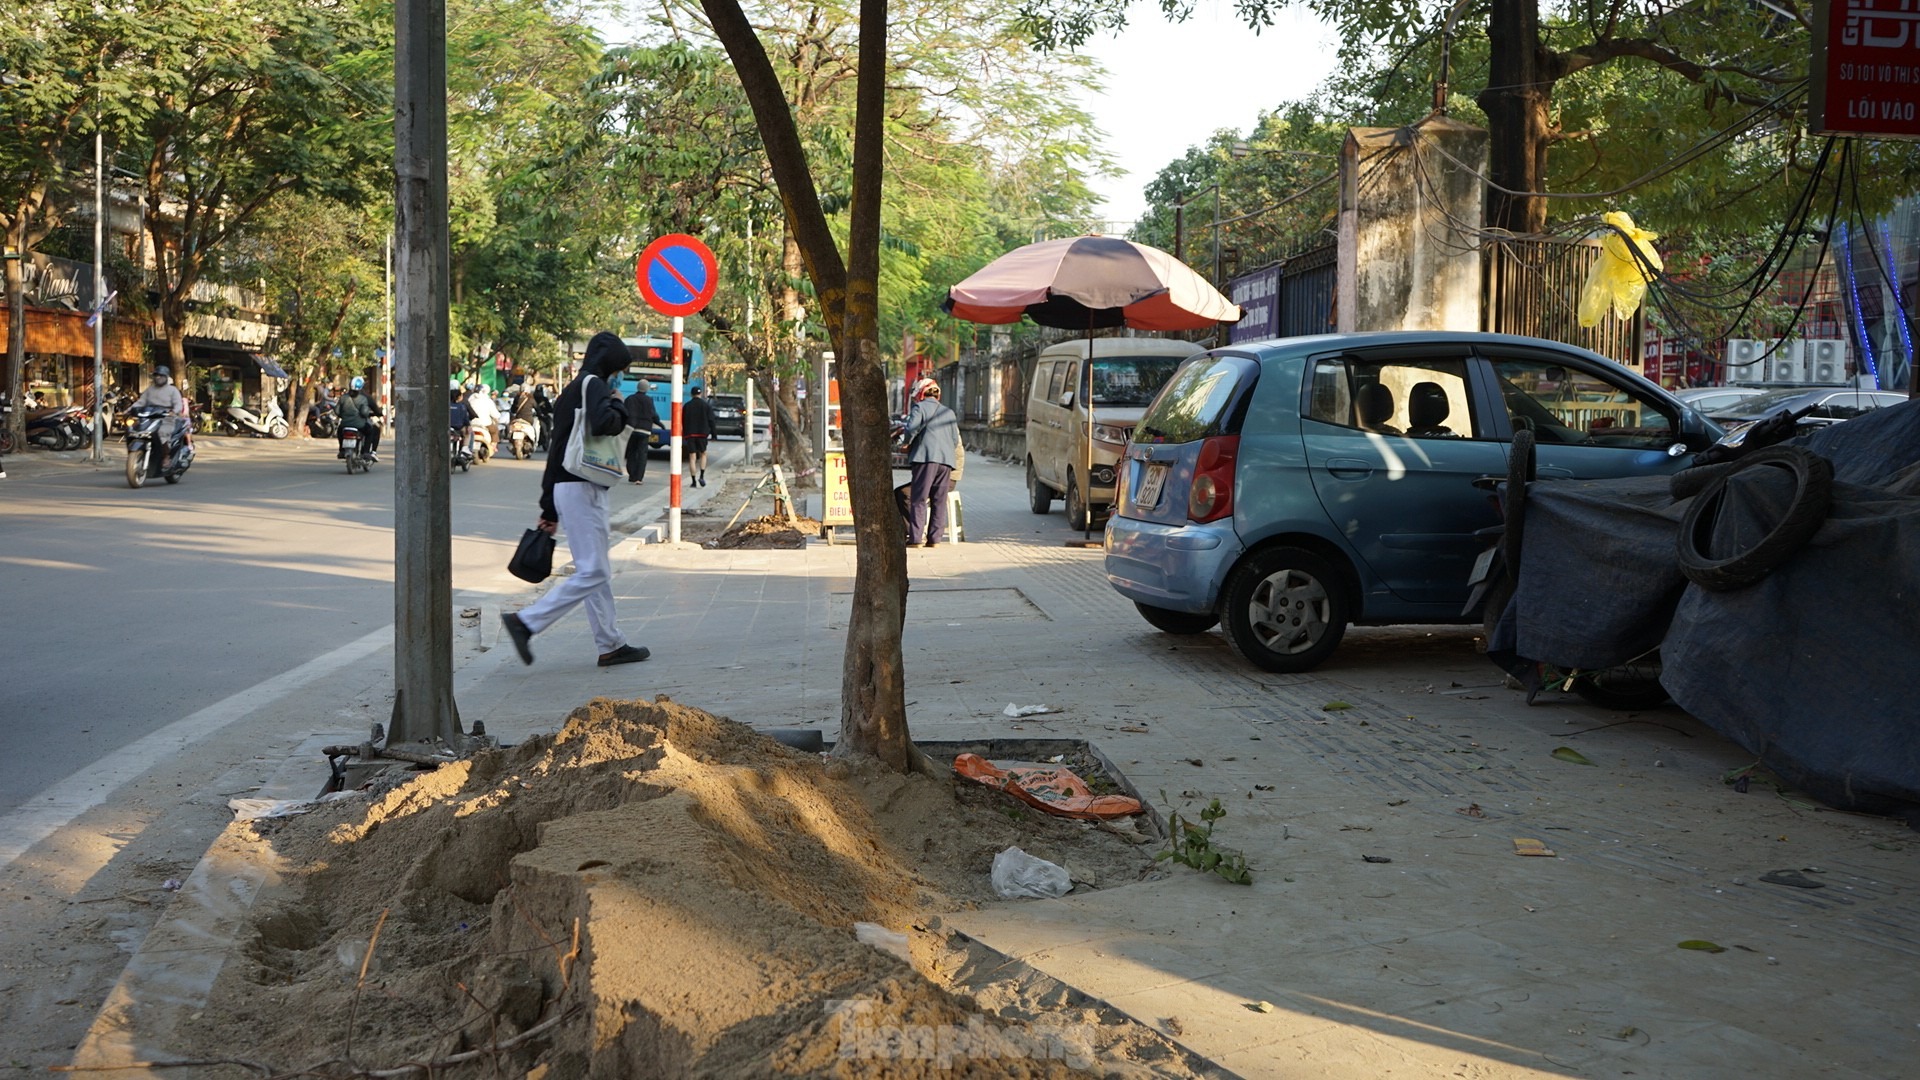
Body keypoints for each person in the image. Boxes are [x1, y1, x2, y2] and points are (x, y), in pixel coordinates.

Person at [500, 331, 648, 668]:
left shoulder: (574, 388)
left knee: (594, 570)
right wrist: (619, 404)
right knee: (594, 571)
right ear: (610, 364)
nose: (619, 376)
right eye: (619, 369)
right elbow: (605, 423)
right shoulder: (595, 385)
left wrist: (549, 506)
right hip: (583, 487)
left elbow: (557, 450)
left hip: (568, 487)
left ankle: (611, 644)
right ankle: (526, 622)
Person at [900, 378, 960, 547]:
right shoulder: (949, 412)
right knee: (938, 500)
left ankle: (916, 539)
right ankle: (935, 539)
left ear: (921, 393)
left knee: (919, 498)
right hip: (946, 461)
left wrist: (906, 443)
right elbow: (955, 440)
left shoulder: (920, 408)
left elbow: (911, 429)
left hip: (926, 459)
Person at [133, 366, 191, 469]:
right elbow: (140, 402)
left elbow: (178, 404)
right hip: (150, 417)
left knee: (162, 433)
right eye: (156, 375)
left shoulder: (173, 390)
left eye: (161, 376)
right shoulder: (150, 390)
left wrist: (173, 412)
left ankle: (166, 457)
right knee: (135, 429)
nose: (158, 377)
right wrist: (129, 410)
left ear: (166, 377)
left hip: (167, 418)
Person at [334, 376, 381, 459]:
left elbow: (337, 411)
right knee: (370, 431)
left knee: (339, 431)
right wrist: (377, 413)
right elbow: (365, 413)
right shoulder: (365, 398)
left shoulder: (343, 397)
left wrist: (344, 415)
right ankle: (366, 452)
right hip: (360, 425)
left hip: (345, 424)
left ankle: (342, 450)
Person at [624, 379, 660, 484]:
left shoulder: (630, 399)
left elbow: (624, 413)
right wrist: (660, 424)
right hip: (645, 430)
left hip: (632, 429)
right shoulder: (649, 400)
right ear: (647, 389)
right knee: (642, 454)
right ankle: (639, 478)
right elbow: (653, 415)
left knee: (631, 452)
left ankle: (632, 475)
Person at [683, 384, 715, 486]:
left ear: (691, 394)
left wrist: (685, 433)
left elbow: (683, 420)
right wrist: (714, 434)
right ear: (700, 394)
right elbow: (711, 420)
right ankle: (701, 476)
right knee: (703, 454)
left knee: (692, 457)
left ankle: (693, 481)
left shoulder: (687, 406)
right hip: (702, 434)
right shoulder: (706, 406)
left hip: (690, 434)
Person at [466, 382, 500, 458]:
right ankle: (493, 447)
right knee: (495, 431)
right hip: (485, 423)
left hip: (472, 423)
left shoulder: (470, 399)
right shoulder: (488, 401)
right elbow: (495, 414)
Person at [450, 385, 473, 460]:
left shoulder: (446, 405)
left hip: (448, 427)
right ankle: (465, 448)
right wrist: (468, 426)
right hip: (458, 427)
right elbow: (465, 418)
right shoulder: (462, 406)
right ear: (459, 397)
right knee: (468, 433)